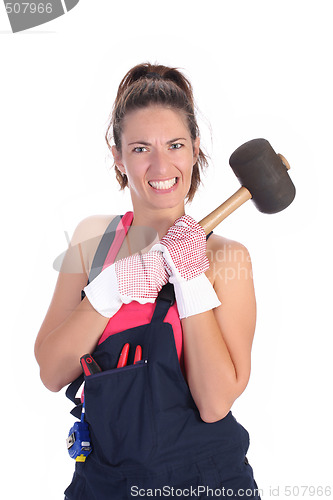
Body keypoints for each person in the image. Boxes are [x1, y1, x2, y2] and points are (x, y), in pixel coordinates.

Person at [34, 63, 260, 499]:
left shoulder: (225, 259)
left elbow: (214, 404)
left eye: (175, 144)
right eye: (140, 148)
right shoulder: (93, 242)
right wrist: (109, 290)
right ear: (117, 155)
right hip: (103, 482)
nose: (161, 164)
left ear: (195, 148)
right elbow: (51, 371)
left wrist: (191, 280)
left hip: (206, 482)